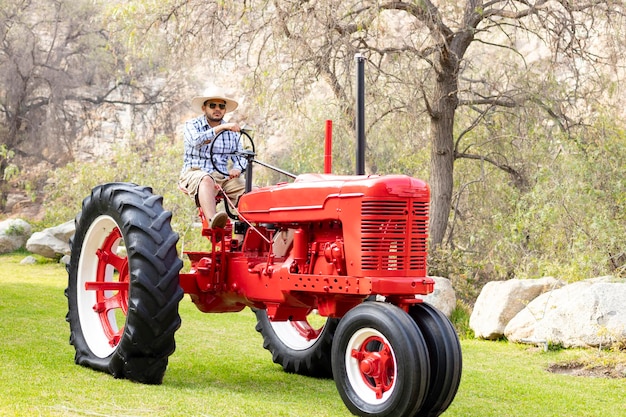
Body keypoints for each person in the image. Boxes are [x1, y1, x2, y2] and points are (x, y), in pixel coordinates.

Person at [178, 87, 247, 229]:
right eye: (213, 106)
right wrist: (221, 128)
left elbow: (241, 155)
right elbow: (196, 141)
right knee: (206, 179)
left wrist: (237, 168)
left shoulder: (232, 132)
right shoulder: (192, 125)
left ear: (225, 110)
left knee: (251, 190)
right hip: (194, 173)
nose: (217, 109)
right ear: (204, 108)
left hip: (223, 177)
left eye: (221, 106)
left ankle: (243, 238)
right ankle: (213, 223)